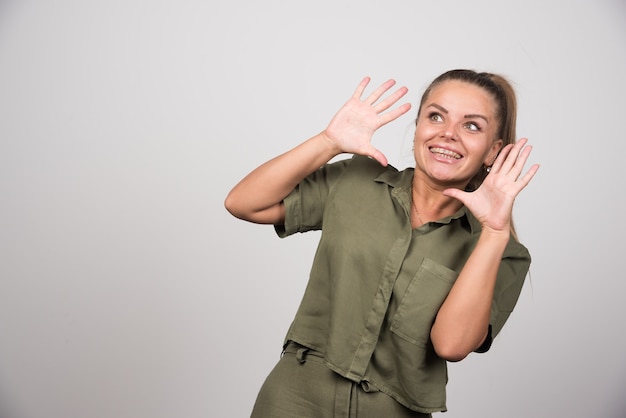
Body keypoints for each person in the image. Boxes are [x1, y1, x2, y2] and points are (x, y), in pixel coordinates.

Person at [224, 69, 539, 417]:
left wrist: (494, 234)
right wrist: (328, 141)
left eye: (471, 126)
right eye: (436, 117)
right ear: (418, 126)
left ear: (494, 150)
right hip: (294, 399)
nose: (448, 134)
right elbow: (244, 203)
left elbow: (451, 345)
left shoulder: (504, 253)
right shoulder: (356, 179)